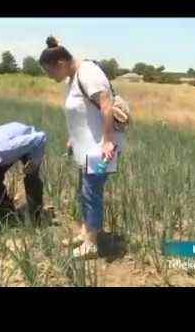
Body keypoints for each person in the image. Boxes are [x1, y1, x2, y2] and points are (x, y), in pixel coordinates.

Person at [39, 36, 125, 259]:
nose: (50, 77)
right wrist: (72, 138)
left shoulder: (88, 73)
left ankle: (91, 245)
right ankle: (86, 232)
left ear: (61, 64)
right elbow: (83, 112)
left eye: (50, 72)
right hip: (86, 145)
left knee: (91, 192)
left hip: (102, 147)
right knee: (83, 190)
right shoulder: (73, 76)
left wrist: (107, 141)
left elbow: (106, 106)